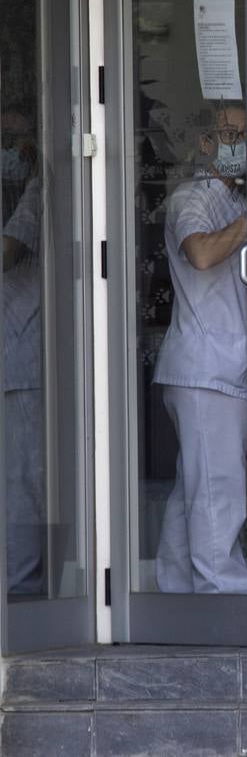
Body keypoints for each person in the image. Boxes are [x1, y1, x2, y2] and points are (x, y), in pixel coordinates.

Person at [152, 101, 247, 593]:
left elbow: (237, 279)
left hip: (224, 367)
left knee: (193, 489)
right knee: (219, 492)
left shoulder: (237, 201)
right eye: (230, 133)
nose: (241, 144)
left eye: (246, 133)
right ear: (205, 143)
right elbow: (202, 253)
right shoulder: (190, 197)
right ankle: (225, 602)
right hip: (204, 371)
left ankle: (176, 594)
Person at [2, 110, 45, 594]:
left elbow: (9, 250)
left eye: (14, 139)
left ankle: (23, 587)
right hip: (12, 356)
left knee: (24, 481)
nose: (10, 149)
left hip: (25, 355)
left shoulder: (38, 193)